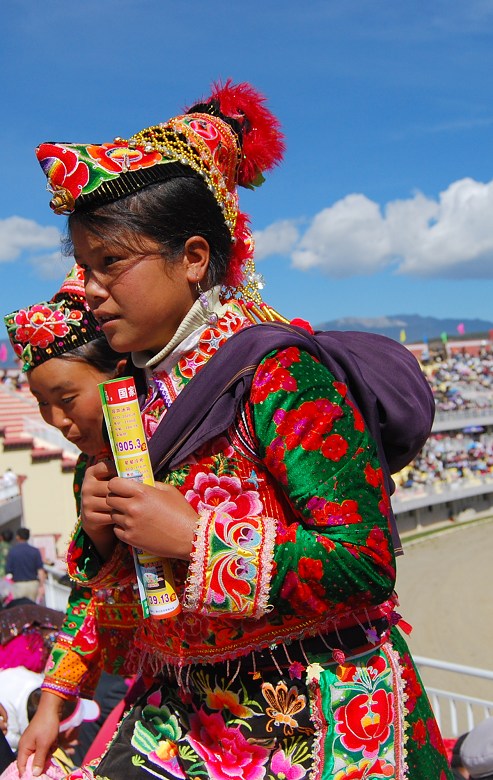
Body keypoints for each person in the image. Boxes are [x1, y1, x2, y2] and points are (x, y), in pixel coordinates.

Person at [34, 81, 452, 778]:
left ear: (194, 258)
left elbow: (363, 560)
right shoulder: (126, 398)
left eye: (110, 264)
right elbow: (116, 582)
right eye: (83, 268)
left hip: (318, 725)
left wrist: (196, 541)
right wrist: (57, 692)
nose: (88, 289)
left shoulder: (278, 372)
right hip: (186, 721)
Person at [4, 268, 143, 774]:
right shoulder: (90, 466)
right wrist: (50, 703)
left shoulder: (182, 437)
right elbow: (94, 594)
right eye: (43, 405)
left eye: (66, 400)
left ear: (121, 376)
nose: (57, 421)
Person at [5, 529, 45, 604]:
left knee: (19, 609)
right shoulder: (35, 551)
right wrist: (41, 586)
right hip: (33, 584)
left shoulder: (13, 551)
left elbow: (8, 570)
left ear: (17, 537)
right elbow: (40, 571)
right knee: (32, 609)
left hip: (18, 585)